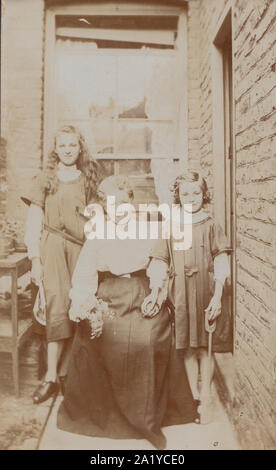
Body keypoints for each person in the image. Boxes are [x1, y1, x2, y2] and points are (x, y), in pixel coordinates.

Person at [57, 175, 197, 450]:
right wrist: (84, 303)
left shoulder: (147, 229)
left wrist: (157, 292)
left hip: (143, 291)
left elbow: (159, 262)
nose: (119, 208)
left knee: (147, 340)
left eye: (123, 201)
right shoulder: (97, 234)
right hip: (108, 293)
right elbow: (85, 272)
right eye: (112, 204)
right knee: (97, 336)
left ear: (131, 203)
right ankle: (102, 415)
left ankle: (146, 414)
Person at [144, 170, 232, 424]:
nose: (191, 198)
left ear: (204, 195)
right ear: (178, 197)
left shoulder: (211, 225)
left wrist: (217, 297)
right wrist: (155, 289)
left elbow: (221, 262)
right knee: (188, 347)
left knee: (205, 346)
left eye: (196, 193)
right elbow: (160, 260)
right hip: (180, 293)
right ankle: (194, 397)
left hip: (206, 291)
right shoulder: (171, 225)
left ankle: (206, 397)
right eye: (185, 194)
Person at [22, 125, 99, 404]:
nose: (67, 150)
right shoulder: (45, 179)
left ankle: (69, 374)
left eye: (72, 145)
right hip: (52, 247)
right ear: (55, 149)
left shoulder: (89, 178)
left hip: (81, 250)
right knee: (55, 306)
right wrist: (35, 260)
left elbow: (98, 219)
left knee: (77, 306)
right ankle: (51, 377)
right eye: (62, 145)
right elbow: (33, 222)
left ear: (80, 148)